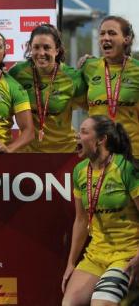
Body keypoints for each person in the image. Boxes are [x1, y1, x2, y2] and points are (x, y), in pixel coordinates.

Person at [62, 115, 139, 306]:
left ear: (101, 140)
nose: (77, 136)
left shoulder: (125, 168)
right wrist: (71, 263)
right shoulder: (79, 171)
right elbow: (80, 220)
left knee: (100, 304)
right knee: (69, 304)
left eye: (84, 132)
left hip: (126, 254)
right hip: (96, 255)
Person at [9, 24, 86, 152]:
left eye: (47, 48)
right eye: (36, 47)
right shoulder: (17, 73)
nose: (41, 53)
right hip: (28, 154)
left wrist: (87, 136)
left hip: (64, 154)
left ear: (57, 50)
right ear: (29, 48)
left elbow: (95, 109)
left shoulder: (72, 77)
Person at [80, 16, 139, 157]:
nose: (106, 38)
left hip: (132, 153)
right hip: (98, 153)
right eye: (102, 33)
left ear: (127, 39)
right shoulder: (88, 66)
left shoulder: (137, 70)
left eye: (112, 33)